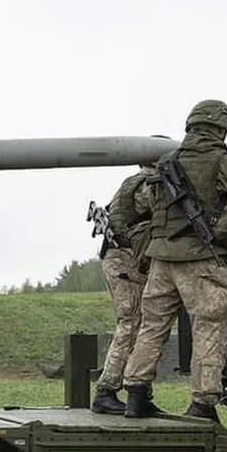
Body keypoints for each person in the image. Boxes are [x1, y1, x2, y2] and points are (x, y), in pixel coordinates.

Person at [122, 100, 227, 421]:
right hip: (202, 259)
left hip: (160, 260)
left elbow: (145, 206)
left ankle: (136, 394)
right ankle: (203, 404)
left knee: (152, 327)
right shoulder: (223, 161)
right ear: (222, 128)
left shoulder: (165, 162)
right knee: (209, 328)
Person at [90, 164, 153, 414]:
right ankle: (106, 391)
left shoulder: (133, 184)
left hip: (120, 258)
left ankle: (136, 392)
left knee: (137, 323)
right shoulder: (147, 186)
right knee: (132, 323)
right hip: (125, 259)